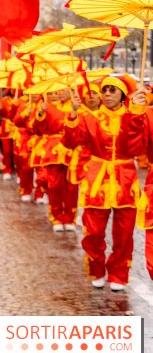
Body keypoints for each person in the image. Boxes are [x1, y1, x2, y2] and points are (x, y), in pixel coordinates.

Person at [63, 76, 147, 291]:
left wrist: (136, 115)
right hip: (96, 181)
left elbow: (134, 149)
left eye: (112, 90)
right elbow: (70, 141)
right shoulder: (90, 118)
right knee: (93, 232)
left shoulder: (133, 116)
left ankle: (119, 274)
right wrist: (73, 114)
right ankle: (96, 269)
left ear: (122, 95)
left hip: (125, 181)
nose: (107, 94)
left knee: (124, 234)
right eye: (105, 90)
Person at [33, 88, 76, 232]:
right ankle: (57, 217)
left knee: (71, 187)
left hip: (72, 151)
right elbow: (38, 129)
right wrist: (40, 113)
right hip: (53, 151)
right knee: (54, 186)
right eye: (57, 91)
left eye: (63, 90)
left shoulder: (77, 107)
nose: (59, 93)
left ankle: (70, 217)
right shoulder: (48, 107)